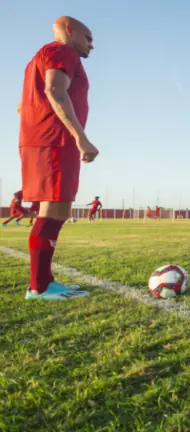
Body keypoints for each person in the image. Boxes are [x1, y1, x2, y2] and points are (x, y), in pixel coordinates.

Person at [18, 16, 96, 300]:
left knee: (57, 211)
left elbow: (25, 102)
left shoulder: (41, 57)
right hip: (54, 140)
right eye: (88, 38)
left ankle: (45, 281)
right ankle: (38, 287)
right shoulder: (62, 51)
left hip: (44, 139)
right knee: (52, 211)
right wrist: (80, 136)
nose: (91, 45)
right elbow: (54, 90)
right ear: (69, 30)